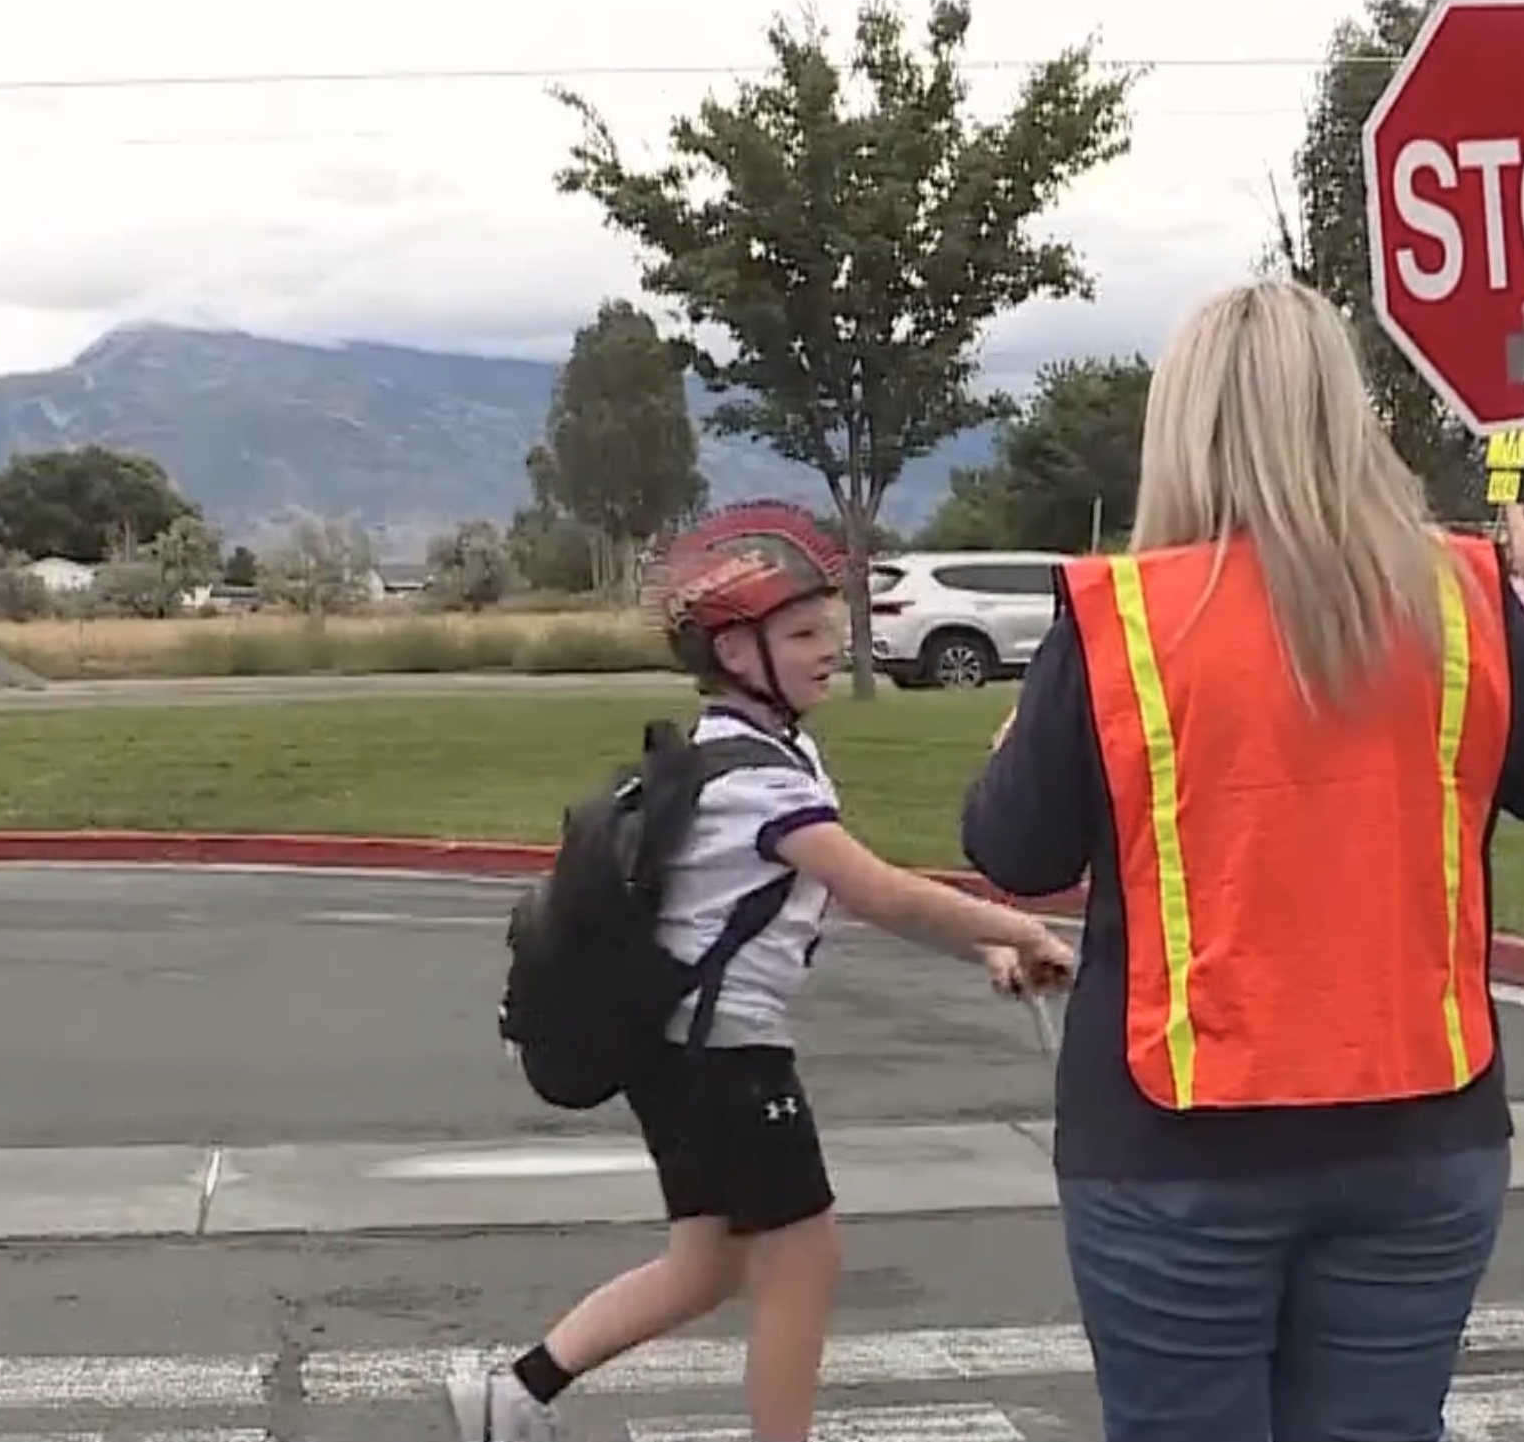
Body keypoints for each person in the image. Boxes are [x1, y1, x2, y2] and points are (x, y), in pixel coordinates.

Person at [958, 280, 1524, 1442]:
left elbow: (1013, 851)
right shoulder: (1460, 596)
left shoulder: (1123, 617)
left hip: (1171, 1135)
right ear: (1349, 415)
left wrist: (1016, 747)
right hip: (1421, 1129)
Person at [457, 502, 1079, 1442]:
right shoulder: (758, 778)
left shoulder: (748, 755)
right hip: (727, 1062)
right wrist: (1018, 929)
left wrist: (988, 948)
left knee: (706, 1262)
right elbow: (875, 890)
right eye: (801, 633)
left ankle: (518, 1391)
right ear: (735, 653)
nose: (829, 646)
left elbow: (807, 897)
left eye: (828, 627)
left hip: (682, 1057)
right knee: (805, 1258)